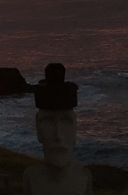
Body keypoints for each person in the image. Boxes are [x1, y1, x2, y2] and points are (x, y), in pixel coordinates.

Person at [23, 63, 93, 195]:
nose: (58, 135)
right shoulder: (31, 177)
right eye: (48, 122)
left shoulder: (84, 176)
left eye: (66, 122)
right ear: (38, 129)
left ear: (75, 130)